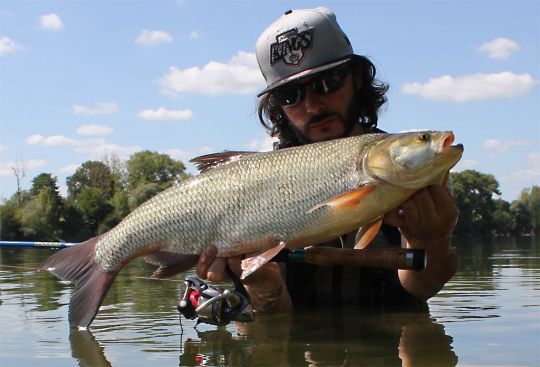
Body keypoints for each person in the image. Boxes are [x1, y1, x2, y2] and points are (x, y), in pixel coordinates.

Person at [196, 7, 458, 313]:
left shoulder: (408, 164)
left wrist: (433, 243)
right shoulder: (255, 180)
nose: (312, 105)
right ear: (277, 106)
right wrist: (264, 288)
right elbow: (274, 322)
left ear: (357, 78)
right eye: (290, 95)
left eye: (327, 81)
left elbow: (423, 289)